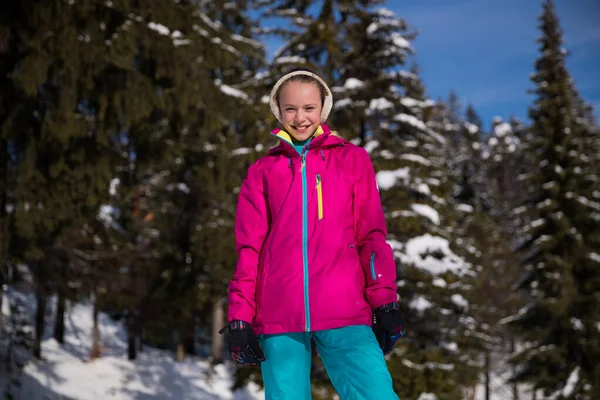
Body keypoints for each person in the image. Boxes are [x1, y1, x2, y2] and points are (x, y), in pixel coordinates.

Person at [220, 69, 406, 399]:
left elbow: (371, 236)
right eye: (290, 108)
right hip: (279, 314)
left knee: (376, 393)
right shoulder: (262, 172)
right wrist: (239, 317)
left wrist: (384, 300)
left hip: (346, 306)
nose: (300, 117)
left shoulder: (352, 159)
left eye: (309, 107)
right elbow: (250, 250)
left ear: (323, 108)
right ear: (278, 110)